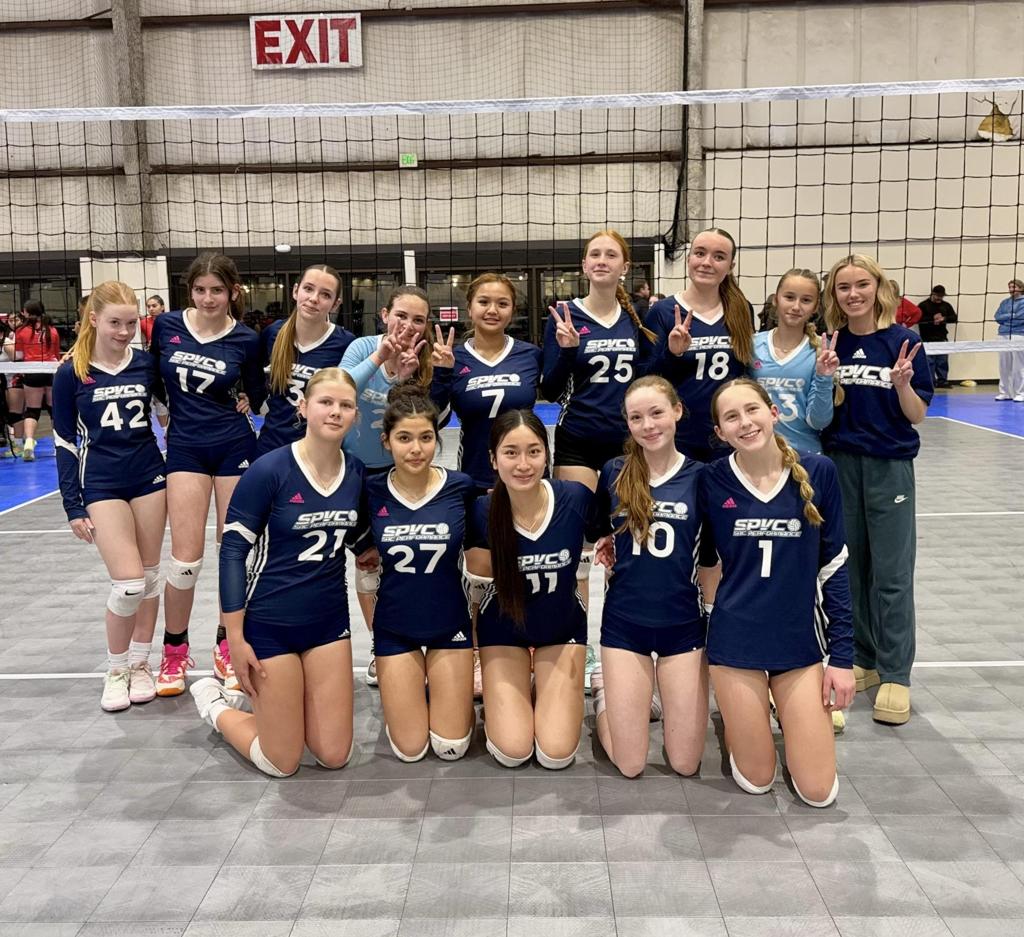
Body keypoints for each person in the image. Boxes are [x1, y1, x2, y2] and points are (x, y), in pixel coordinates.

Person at [190, 368, 369, 777]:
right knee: (281, 762)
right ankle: (215, 705)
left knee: (334, 755)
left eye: (345, 405)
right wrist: (234, 638)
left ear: (355, 415)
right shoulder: (269, 470)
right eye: (325, 402)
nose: (335, 411)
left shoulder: (356, 472)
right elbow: (232, 553)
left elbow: (359, 537)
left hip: (328, 624)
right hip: (270, 625)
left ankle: (278, 711)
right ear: (303, 407)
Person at [701, 378, 854, 807]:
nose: (745, 422)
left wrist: (842, 658)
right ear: (720, 432)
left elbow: (835, 567)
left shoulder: (818, 471)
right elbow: (697, 554)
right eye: (731, 417)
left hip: (796, 641)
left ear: (773, 412)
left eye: (752, 410)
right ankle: (739, 714)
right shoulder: (712, 480)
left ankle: (784, 708)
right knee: (757, 779)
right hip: (736, 641)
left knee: (818, 792)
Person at [149, 252, 267, 697]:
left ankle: (226, 645)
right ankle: (174, 650)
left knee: (231, 551)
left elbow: (258, 394)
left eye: (217, 290)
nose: (208, 298)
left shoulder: (246, 339)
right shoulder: (167, 326)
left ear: (232, 292)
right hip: (185, 448)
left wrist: (250, 402)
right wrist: (163, 412)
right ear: (190, 291)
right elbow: (152, 376)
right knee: (185, 561)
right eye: (200, 290)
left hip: (234, 447)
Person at [822, 254, 932, 725]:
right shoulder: (830, 342)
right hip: (841, 465)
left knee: (891, 573)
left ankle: (896, 673)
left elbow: (917, 415)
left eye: (861, 284)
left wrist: (903, 384)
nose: (853, 294)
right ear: (834, 295)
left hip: (889, 467)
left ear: (878, 287)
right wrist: (823, 376)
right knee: (850, 569)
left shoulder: (904, 342)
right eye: (843, 287)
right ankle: (862, 657)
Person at [51, 281, 167, 712]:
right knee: (129, 584)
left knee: (150, 578)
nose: (124, 332)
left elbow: (169, 413)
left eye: (131, 323)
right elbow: (65, 441)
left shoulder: (147, 365)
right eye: (115, 323)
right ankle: (116, 669)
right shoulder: (71, 372)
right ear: (94, 319)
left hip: (149, 478)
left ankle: (141, 663)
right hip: (101, 483)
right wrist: (72, 504)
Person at [590, 376, 710, 778]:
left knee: (685, 764)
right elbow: (599, 532)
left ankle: (641, 701)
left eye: (657, 412)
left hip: (684, 627)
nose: (648, 425)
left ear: (677, 411)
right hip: (625, 626)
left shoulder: (702, 477)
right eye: (636, 417)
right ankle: (606, 696)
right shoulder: (614, 472)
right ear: (627, 423)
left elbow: (712, 557)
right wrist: (607, 541)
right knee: (630, 765)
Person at [464, 410, 592, 770]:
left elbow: (600, 547)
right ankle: (510, 690)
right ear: (493, 459)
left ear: (547, 455)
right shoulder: (481, 511)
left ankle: (579, 693)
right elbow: (476, 590)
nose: (523, 464)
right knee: (513, 750)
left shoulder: (575, 498)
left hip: (561, 630)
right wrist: (474, 652)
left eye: (534, 452)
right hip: (503, 633)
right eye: (511, 452)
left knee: (556, 754)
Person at [363, 384, 477, 762]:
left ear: (437, 438)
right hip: (395, 629)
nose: (416, 449)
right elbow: (360, 561)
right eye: (404, 438)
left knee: (451, 747)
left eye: (426, 438)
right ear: (386, 442)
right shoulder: (371, 490)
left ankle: (441, 694)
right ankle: (410, 693)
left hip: (451, 626)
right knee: (410, 749)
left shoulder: (460, 487)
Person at [340, 285, 433, 685]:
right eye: (401, 316)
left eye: (418, 319)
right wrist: (381, 358)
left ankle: (407, 639)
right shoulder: (363, 347)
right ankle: (382, 646)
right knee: (367, 560)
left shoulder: (423, 358)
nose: (409, 325)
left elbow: (416, 421)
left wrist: (405, 380)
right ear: (384, 315)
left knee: (403, 557)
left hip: (398, 473)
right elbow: (342, 389)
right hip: (354, 472)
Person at [646, 228, 755, 462]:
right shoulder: (662, 312)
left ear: (731, 266)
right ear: (688, 259)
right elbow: (645, 378)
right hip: (678, 437)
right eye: (700, 253)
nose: (707, 262)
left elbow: (745, 371)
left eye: (719, 256)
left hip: (730, 435)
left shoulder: (741, 309)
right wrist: (673, 354)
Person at [430, 273, 542, 494]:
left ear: (513, 310)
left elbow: (557, 392)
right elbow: (436, 420)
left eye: (502, 304)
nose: (492, 310)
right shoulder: (453, 358)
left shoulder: (532, 355)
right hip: (476, 475)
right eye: (483, 302)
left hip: (526, 472)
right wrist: (441, 373)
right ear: (470, 308)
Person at [258, 265, 355, 456]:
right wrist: (246, 396)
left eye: (325, 294)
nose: (314, 298)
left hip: (319, 451)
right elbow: (253, 374)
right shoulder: (273, 334)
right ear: (296, 291)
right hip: (271, 446)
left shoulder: (345, 343)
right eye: (308, 289)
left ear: (335, 304)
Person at [751, 269, 840, 454]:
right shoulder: (752, 345)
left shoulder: (821, 351)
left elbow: (819, 422)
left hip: (804, 454)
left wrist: (824, 378)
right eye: (789, 297)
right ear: (776, 299)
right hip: (757, 453)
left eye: (806, 300)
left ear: (815, 307)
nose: (796, 306)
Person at [5, 300, 61, 462]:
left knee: (32, 410)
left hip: (32, 371)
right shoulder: (52, 330)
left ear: (26, 312)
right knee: (54, 409)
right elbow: (56, 355)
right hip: (50, 370)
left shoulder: (22, 331)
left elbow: (19, 355)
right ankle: (58, 445)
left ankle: (29, 442)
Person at [917, 285, 958, 389]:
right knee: (929, 362)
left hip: (941, 337)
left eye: (942, 296)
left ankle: (942, 381)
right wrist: (932, 319)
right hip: (927, 338)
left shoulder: (946, 305)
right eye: (938, 295)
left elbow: (954, 317)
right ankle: (930, 382)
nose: (940, 298)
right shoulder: (923, 305)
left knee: (942, 362)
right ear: (933, 293)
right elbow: (917, 319)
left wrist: (943, 319)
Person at [994, 279, 1024, 402]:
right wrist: (1011, 316)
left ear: (1021, 288)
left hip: (1019, 334)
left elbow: (1020, 319)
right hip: (1003, 334)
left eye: (1014, 287)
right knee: (1004, 365)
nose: (1011, 289)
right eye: (1010, 287)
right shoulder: (1005, 302)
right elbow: (997, 317)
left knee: (1019, 365)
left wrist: (1006, 319)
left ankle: (1021, 393)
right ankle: (1005, 392)